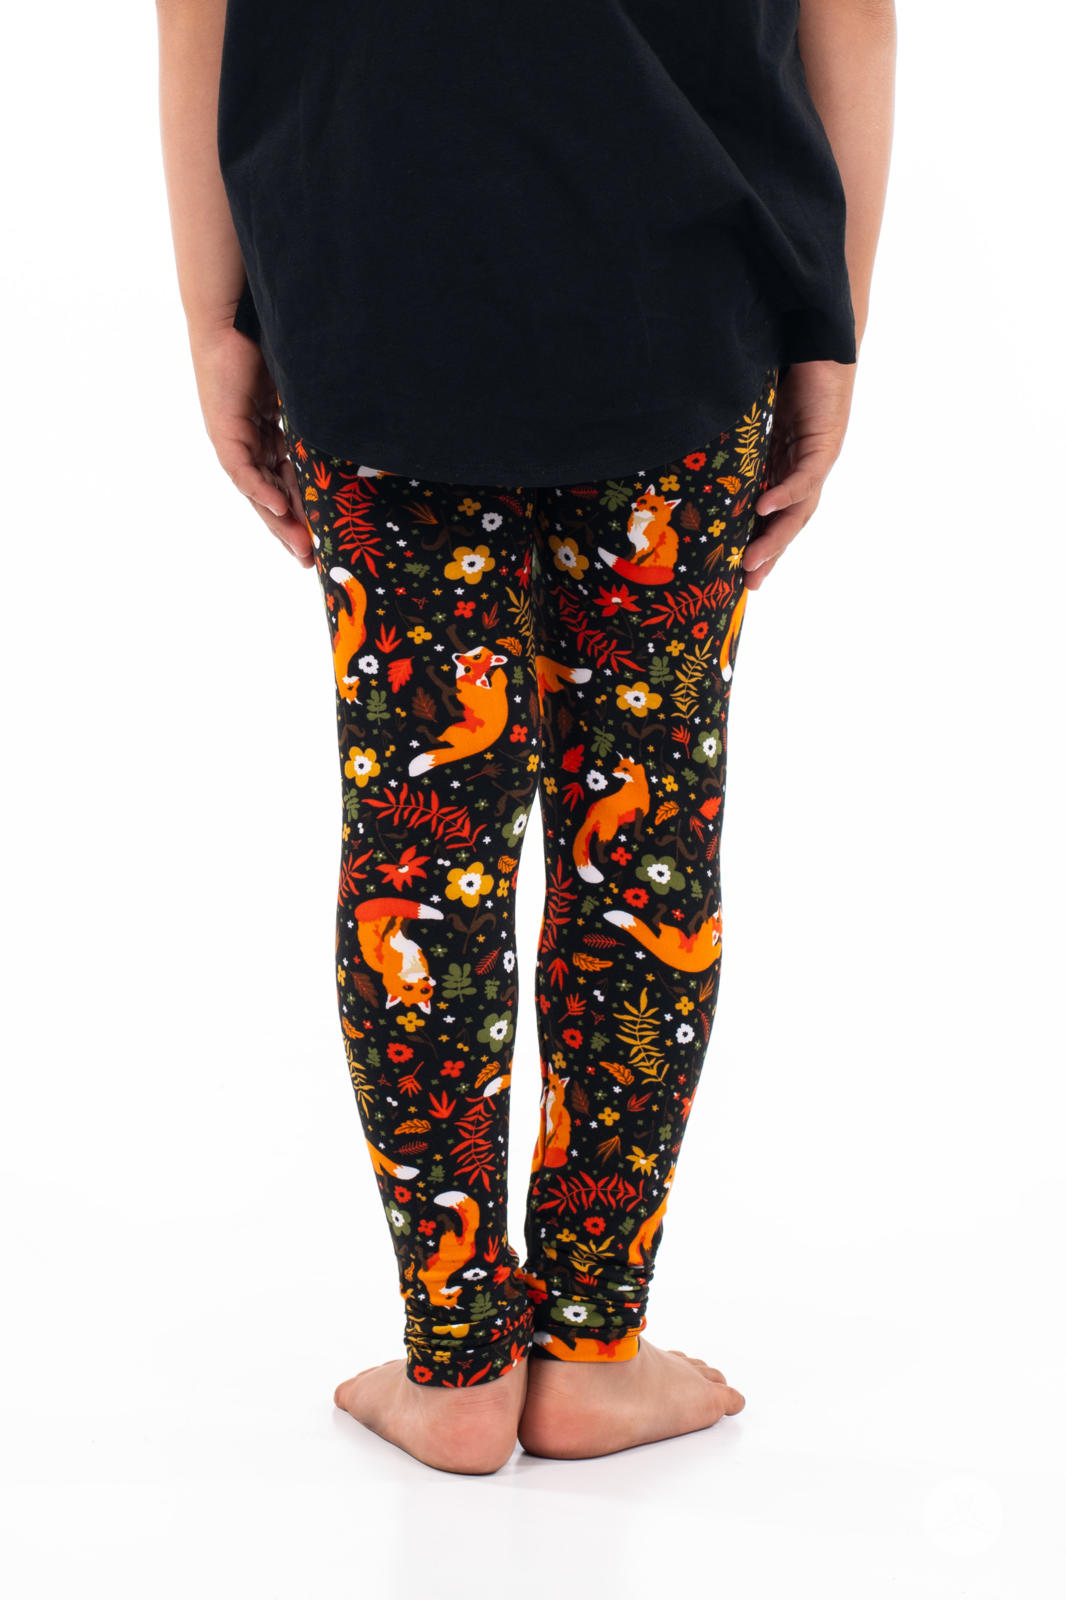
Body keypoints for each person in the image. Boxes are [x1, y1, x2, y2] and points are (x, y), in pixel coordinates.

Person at [155, 0, 896, 1474]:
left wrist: (214, 309)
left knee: (418, 849)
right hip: (682, 290)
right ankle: (590, 1353)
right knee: (646, 839)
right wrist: (831, 324)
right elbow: (852, 17)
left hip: (367, 278)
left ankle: (455, 1365)